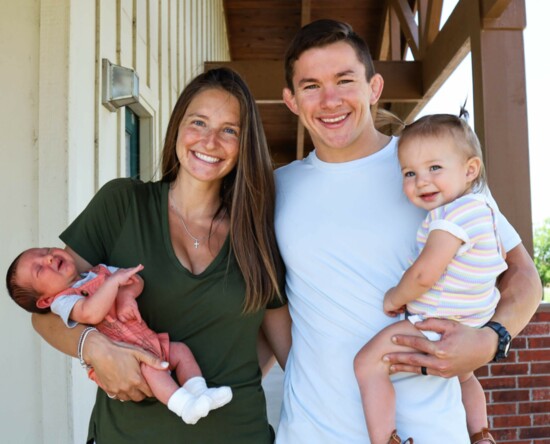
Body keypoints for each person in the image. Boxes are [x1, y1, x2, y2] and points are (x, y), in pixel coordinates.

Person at [274, 19, 541, 444]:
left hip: (433, 430)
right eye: (310, 86)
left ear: (374, 87)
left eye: (345, 80)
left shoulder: (430, 166)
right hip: (311, 432)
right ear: (291, 100)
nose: (330, 100)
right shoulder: (275, 188)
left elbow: (523, 276)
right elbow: (266, 301)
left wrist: (492, 340)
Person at [31, 67, 291, 444]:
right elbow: (46, 315)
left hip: (237, 431)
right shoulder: (123, 204)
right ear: (177, 127)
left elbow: (285, 347)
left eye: (229, 130)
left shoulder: (257, 229)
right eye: (198, 122)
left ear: (245, 143)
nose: (210, 140)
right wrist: (96, 348)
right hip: (127, 434)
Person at [354, 111, 506, 444]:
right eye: (410, 173)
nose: (421, 180)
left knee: (367, 364)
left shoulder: (451, 216)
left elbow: (424, 274)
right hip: (471, 321)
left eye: (434, 168)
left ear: (470, 170)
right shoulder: (483, 208)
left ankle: (385, 439)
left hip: (438, 321)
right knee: (465, 378)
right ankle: (481, 434)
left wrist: (395, 297)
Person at [6, 248, 233, 424]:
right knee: (151, 369)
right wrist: (114, 283)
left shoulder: (99, 271)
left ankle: (200, 392)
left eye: (45, 250)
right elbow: (91, 313)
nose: (47, 258)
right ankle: (185, 406)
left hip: (145, 339)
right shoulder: (63, 301)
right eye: (39, 269)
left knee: (181, 351)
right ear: (45, 301)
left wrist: (126, 295)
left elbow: (135, 280)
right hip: (124, 357)